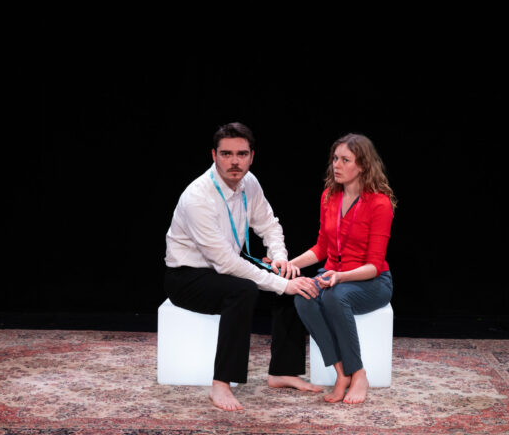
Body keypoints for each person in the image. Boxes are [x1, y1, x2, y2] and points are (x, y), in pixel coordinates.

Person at [164, 122, 321, 412]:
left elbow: (269, 225)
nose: (234, 161)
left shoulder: (250, 183)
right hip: (187, 276)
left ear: (251, 156)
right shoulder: (198, 197)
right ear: (214, 155)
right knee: (245, 291)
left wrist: (280, 259)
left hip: (226, 265)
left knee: (292, 277)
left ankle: (282, 371)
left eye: (241, 154)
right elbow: (225, 262)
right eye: (226, 154)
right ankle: (221, 384)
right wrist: (281, 284)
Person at [288, 133, 396, 404]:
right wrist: (289, 264)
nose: (336, 165)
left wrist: (339, 276)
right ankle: (341, 373)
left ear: (362, 165)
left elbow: (374, 266)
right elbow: (321, 248)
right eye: (335, 158)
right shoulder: (329, 197)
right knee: (303, 296)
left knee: (336, 297)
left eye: (345, 160)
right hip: (334, 276)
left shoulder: (379, 203)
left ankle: (359, 374)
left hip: (373, 281)